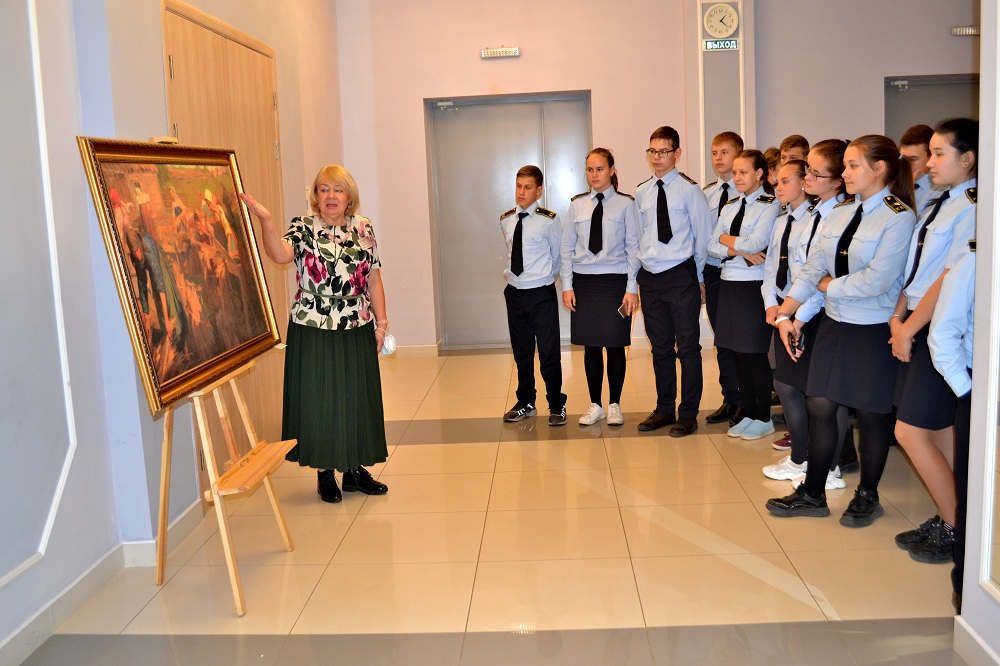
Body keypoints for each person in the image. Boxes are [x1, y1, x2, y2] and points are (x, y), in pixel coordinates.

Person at [766, 135, 916, 527]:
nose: (845, 173)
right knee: (819, 405)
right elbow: (812, 267)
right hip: (835, 323)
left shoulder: (898, 217)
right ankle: (813, 493)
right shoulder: (841, 212)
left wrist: (829, 286)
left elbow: (878, 280)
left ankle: (867, 495)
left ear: (879, 168)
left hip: (871, 328)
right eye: (845, 165)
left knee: (870, 415)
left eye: (853, 166)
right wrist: (786, 312)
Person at [240, 165, 389, 503]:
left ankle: (354, 471)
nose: (331, 196)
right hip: (313, 325)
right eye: (324, 189)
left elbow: (374, 277)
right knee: (320, 398)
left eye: (338, 189)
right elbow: (279, 254)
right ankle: (325, 472)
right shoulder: (303, 227)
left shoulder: (363, 227)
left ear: (349, 196)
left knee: (355, 397)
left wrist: (381, 324)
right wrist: (266, 221)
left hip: (356, 324)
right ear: (316, 196)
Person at [890, 118, 978, 564]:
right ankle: (952, 518)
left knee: (909, 431)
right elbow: (916, 270)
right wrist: (898, 316)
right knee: (941, 430)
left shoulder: (974, 207)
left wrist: (909, 328)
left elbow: (948, 278)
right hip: (916, 320)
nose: (931, 162)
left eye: (941, 153)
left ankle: (957, 527)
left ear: (969, 159)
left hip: (939, 327)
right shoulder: (940, 201)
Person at [760, 159, 847, 487]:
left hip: (815, 311)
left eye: (787, 180)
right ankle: (802, 458)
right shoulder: (798, 217)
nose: (778, 186)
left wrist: (795, 316)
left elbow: (816, 274)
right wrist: (777, 307)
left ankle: (827, 465)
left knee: (824, 394)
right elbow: (776, 268)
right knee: (787, 384)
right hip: (791, 308)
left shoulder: (828, 216)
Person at [634, 126, 712, 435]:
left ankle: (688, 413)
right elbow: (640, 236)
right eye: (652, 151)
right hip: (651, 277)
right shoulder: (642, 191)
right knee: (660, 347)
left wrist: (700, 278)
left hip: (681, 274)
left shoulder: (689, 190)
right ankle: (664, 409)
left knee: (688, 347)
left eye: (663, 151)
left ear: (677, 153)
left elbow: (702, 237)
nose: (657, 157)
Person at [561, 148, 640, 426]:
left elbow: (634, 249)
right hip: (584, 282)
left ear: (612, 170)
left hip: (615, 282)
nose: (595, 175)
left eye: (600, 169)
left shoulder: (626, 205)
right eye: (590, 170)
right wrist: (567, 286)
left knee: (615, 345)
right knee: (591, 346)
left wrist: (632, 288)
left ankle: (614, 404)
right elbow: (566, 248)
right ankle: (595, 404)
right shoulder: (577, 205)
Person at [707, 149, 780, 441]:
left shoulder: (770, 205)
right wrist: (739, 250)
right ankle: (749, 412)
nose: (737, 177)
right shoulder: (730, 206)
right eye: (735, 172)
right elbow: (711, 246)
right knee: (736, 352)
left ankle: (763, 417)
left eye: (743, 172)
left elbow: (757, 242)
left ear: (759, 174)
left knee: (754, 354)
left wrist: (726, 240)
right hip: (729, 283)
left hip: (753, 285)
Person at [928, 235, 975, 613]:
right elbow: (942, 334)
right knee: (972, 497)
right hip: (978, 387)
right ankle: (966, 595)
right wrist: (968, 392)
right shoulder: (975, 258)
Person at [500, 165, 567, 426]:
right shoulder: (506, 219)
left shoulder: (549, 220)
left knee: (549, 352)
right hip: (515, 293)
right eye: (518, 186)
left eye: (528, 187)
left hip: (541, 293)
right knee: (522, 352)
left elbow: (558, 258)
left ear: (539, 190)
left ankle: (556, 403)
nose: (521, 192)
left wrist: (544, 279)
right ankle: (526, 402)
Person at [702, 131, 744, 426]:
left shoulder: (750, 194)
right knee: (723, 338)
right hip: (713, 270)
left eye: (725, 152)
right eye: (715, 153)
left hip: (744, 272)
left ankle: (747, 398)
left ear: (738, 154)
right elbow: (703, 239)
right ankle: (730, 397)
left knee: (743, 339)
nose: (718, 158)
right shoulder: (706, 194)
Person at [900, 124, 936, 213]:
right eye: (903, 158)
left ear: (930, 157)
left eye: (913, 159)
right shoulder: (893, 183)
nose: (907, 164)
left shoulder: (939, 191)